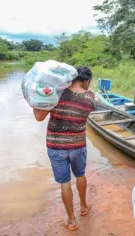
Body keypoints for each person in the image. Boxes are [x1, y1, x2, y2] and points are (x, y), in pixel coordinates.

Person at [33, 66, 95, 230]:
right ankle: (83, 206)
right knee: (80, 175)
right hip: (78, 145)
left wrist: (34, 102)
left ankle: (71, 220)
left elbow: (39, 117)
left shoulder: (56, 94)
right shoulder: (90, 97)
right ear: (87, 81)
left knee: (65, 183)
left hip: (56, 146)